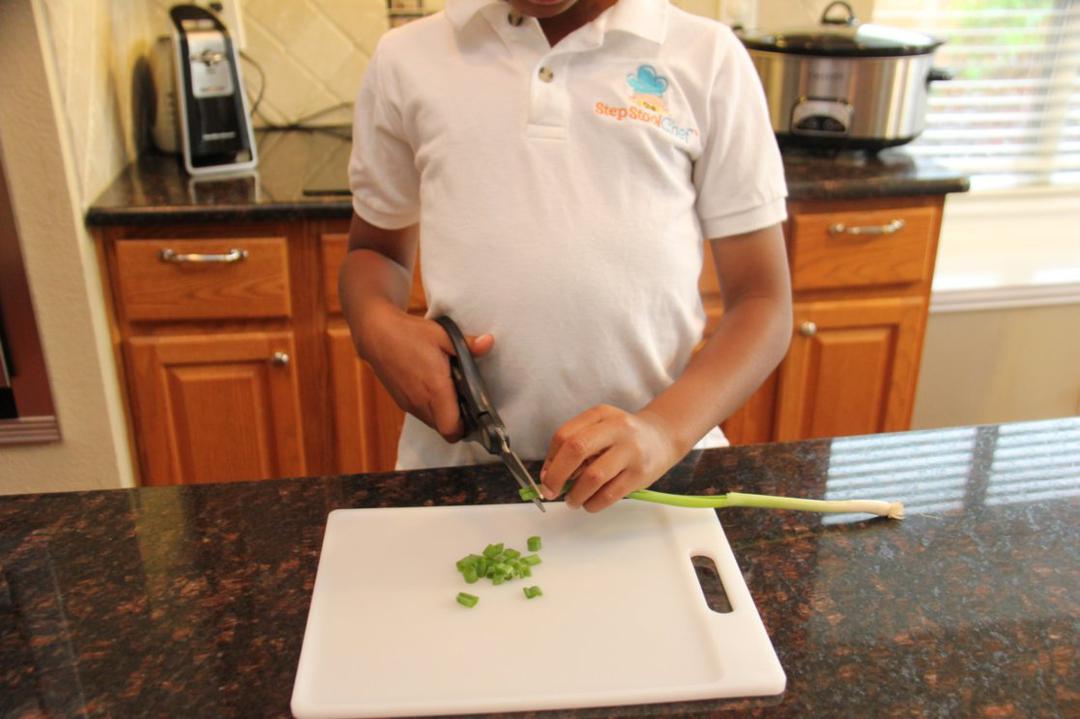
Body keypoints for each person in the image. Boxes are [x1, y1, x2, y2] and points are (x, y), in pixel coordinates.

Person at [340, 0, 792, 512]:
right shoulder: (408, 58)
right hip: (458, 472)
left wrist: (664, 431)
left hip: (654, 477)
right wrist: (375, 327)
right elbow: (374, 253)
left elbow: (762, 300)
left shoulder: (708, 58)